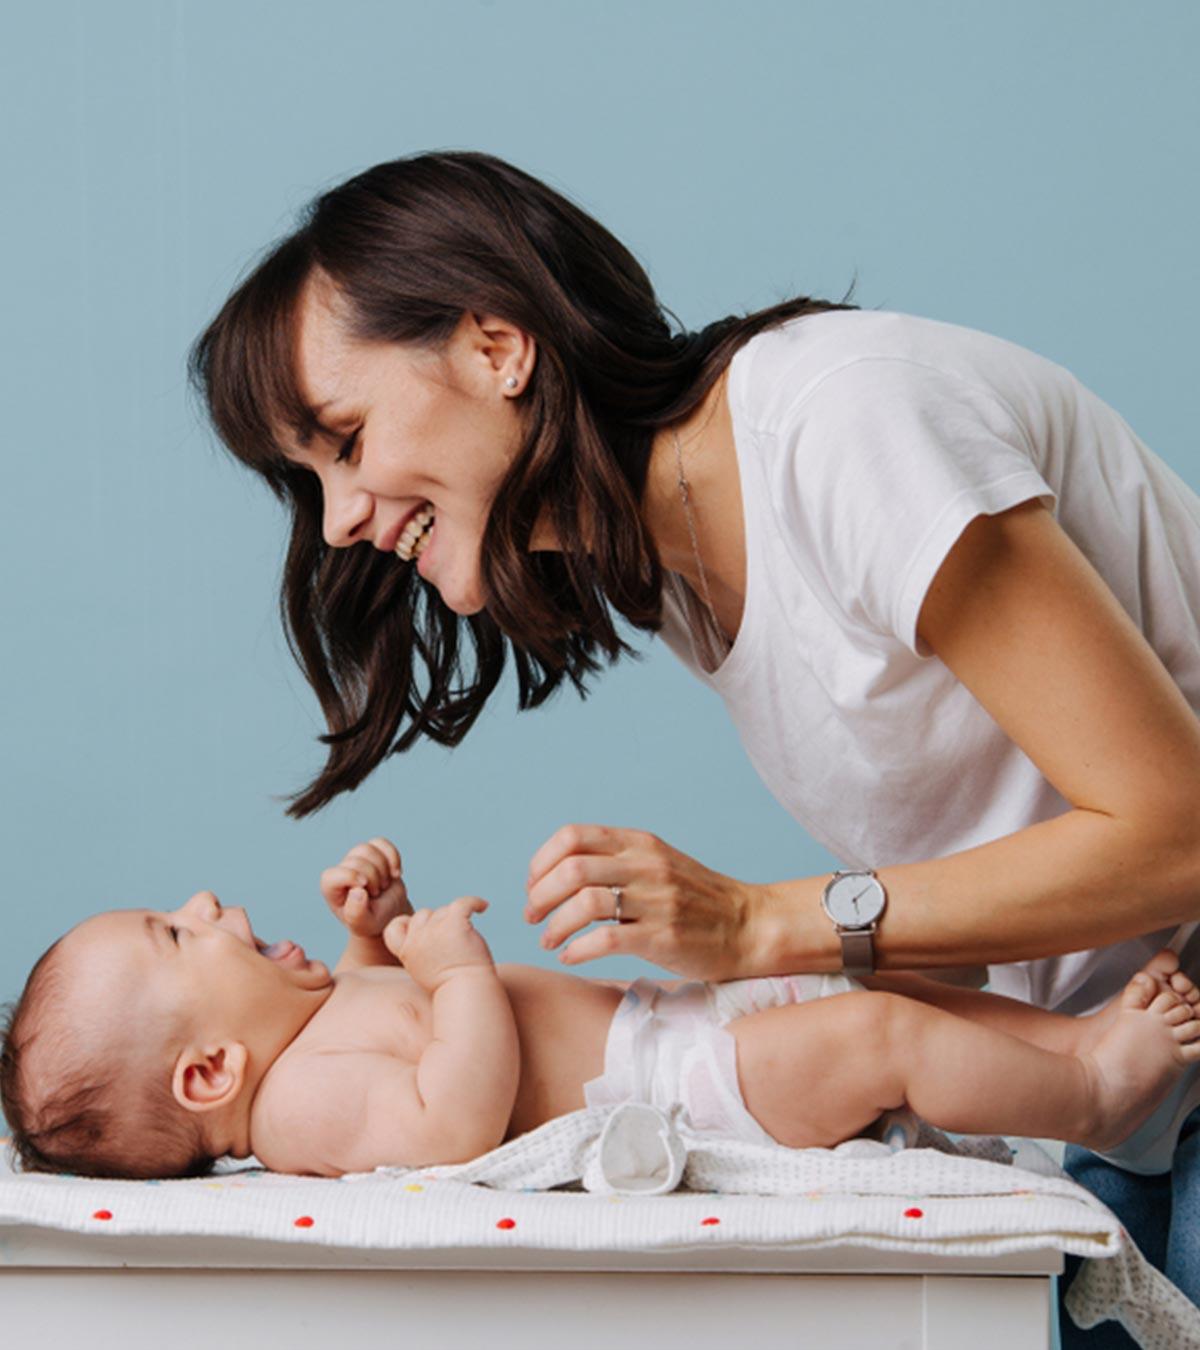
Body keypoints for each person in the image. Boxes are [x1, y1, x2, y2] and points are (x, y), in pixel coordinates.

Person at [188, 151, 1200, 1335]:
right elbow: (990, 863)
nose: (341, 520)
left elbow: (1177, 830)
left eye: (346, 442)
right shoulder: (680, 573)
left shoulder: (841, 426)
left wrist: (762, 926)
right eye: (309, 483)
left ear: (495, 347)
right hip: (1132, 1080)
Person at [2, 837, 1199, 1182]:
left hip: (671, 1023)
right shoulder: (296, 1113)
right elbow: (444, 1125)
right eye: (175, 931)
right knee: (877, 1040)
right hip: (678, 1097)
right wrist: (458, 974)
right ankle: (1094, 1096)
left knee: (891, 986)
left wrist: (380, 926)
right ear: (210, 1076)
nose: (205, 899)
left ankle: (1080, 1060)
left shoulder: (309, 1033)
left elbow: (380, 1006)